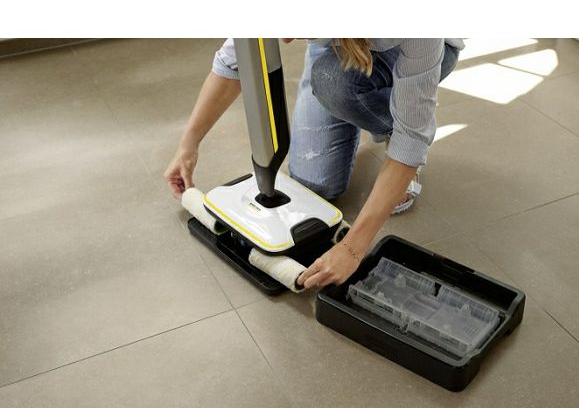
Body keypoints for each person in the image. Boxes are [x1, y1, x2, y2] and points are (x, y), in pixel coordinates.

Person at [164, 38, 463, 288]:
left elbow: (412, 136)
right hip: (337, 45)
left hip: (412, 48)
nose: (283, 40)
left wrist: (351, 249)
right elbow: (237, 58)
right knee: (315, 186)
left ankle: (385, 124)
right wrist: (188, 145)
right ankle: (339, 86)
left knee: (334, 83)